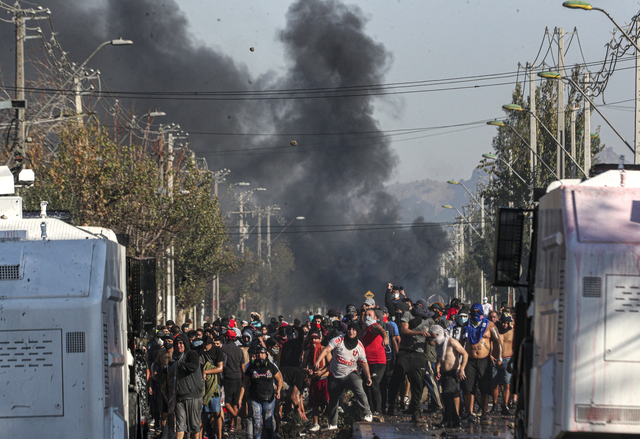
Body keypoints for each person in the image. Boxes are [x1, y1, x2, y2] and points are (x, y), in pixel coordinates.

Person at [314, 322, 373, 429]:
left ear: (357, 332)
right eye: (350, 329)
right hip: (335, 375)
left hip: (350, 374)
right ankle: (333, 424)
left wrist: (368, 377)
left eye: (354, 330)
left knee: (359, 389)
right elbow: (327, 349)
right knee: (333, 400)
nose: (351, 331)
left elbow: (364, 363)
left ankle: (367, 413)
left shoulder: (359, 346)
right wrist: (318, 360)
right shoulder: (338, 340)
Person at [386, 299, 434, 419]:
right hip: (405, 351)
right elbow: (404, 329)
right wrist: (418, 333)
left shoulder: (429, 320)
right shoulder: (408, 314)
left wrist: (430, 337)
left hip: (419, 353)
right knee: (396, 378)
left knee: (417, 381)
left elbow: (432, 341)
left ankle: (415, 408)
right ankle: (391, 405)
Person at [461, 303, 502, 422]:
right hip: (469, 360)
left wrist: (499, 358)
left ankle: (484, 413)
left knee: (485, 389)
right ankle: (469, 412)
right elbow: (460, 344)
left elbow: (498, 342)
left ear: (481, 312)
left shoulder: (490, 325)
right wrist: (459, 363)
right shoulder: (465, 326)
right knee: (468, 388)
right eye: (473, 311)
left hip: (484, 361)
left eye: (477, 311)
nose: (475, 313)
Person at [239, 346, 283, 439]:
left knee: (268, 423)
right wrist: (240, 399)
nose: (260, 355)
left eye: (262, 353)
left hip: (269, 398)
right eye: (258, 353)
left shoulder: (271, 366)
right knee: (257, 423)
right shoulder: (251, 367)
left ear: (266, 354)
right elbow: (244, 384)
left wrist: (278, 391)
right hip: (255, 398)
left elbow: (279, 380)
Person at [430, 325, 468, 429]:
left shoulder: (451, 342)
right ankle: (455, 420)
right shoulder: (439, 345)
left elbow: (465, 354)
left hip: (453, 373)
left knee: (447, 394)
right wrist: (437, 367)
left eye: (435, 336)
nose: (433, 339)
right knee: (447, 397)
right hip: (444, 373)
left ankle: (447, 420)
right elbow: (439, 356)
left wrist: (462, 368)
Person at [173, 334, 204, 439]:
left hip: (193, 396)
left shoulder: (192, 354)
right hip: (179, 397)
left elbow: (193, 366)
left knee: (194, 426)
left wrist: (179, 364)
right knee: (180, 426)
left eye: (181, 343)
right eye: (176, 344)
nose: (179, 346)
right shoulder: (174, 356)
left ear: (185, 344)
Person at [361, 308, 389, 415]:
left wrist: (385, 338)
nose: (367, 317)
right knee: (366, 385)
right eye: (366, 315)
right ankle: (370, 410)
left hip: (378, 362)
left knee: (374, 383)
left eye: (370, 315)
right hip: (367, 363)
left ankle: (378, 410)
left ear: (376, 318)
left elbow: (381, 330)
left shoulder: (374, 327)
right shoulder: (364, 331)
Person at [302, 327, 331, 432]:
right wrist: (307, 371)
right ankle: (315, 423)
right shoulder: (308, 352)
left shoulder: (325, 349)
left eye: (316, 339)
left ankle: (330, 421)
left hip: (325, 378)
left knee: (327, 400)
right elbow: (303, 367)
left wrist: (321, 372)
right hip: (314, 380)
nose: (314, 341)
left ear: (320, 339)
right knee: (314, 403)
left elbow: (330, 364)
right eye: (312, 339)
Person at [200, 336, 224, 439]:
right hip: (202, 385)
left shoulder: (217, 351)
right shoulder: (199, 351)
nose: (205, 347)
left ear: (211, 344)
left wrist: (206, 371)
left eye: (207, 345)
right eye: (204, 344)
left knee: (216, 411)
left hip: (214, 384)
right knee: (201, 413)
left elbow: (220, 368)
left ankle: (219, 436)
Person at [221, 329, 245, 432]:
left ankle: (235, 417)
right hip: (238, 378)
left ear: (226, 338)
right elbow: (243, 368)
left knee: (226, 402)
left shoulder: (223, 349)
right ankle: (231, 426)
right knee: (235, 403)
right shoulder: (239, 350)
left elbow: (222, 364)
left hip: (227, 378)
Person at [492, 314, 514, 415]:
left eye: (506, 323)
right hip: (496, 359)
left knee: (507, 384)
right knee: (495, 384)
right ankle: (495, 404)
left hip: (508, 359)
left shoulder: (512, 332)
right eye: (503, 323)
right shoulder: (497, 331)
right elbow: (491, 343)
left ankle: (505, 405)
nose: (504, 325)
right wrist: (490, 355)